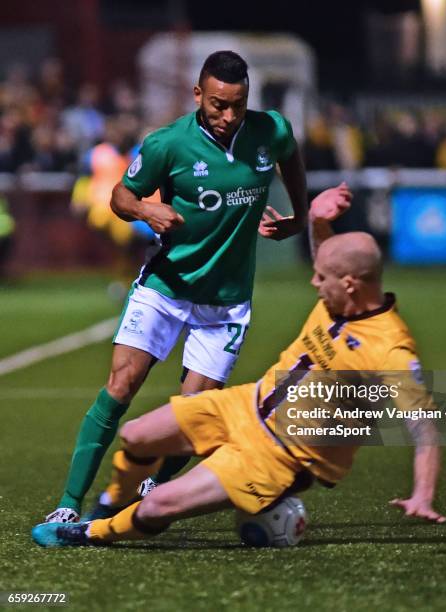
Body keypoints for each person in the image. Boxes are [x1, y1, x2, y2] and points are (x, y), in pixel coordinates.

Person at [33, 183, 446, 548]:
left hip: (279, 456)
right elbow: (332, 260)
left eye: (321, 279)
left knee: (157, 504)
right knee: (137, 435)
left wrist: (423, 494)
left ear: (351, 285)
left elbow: (423, 425)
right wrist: (319, 221)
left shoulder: (390, 349)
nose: (313, 284)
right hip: (246, 405)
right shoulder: (341, 292)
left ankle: (89, 533)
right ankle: (111, 502)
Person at [44, 50, 307, 523]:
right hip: (165, 288)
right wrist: (147, 210)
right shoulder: (169, 144)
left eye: (238, 105)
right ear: (198, 95)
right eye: (218, 105)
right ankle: (68, 504)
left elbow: (290, 156)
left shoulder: (271, 130)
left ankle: (153, 489)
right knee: (121, 385)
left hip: (225, 304)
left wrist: (301, 217)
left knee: (192, 417)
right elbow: (121, 195)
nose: (228, 116)